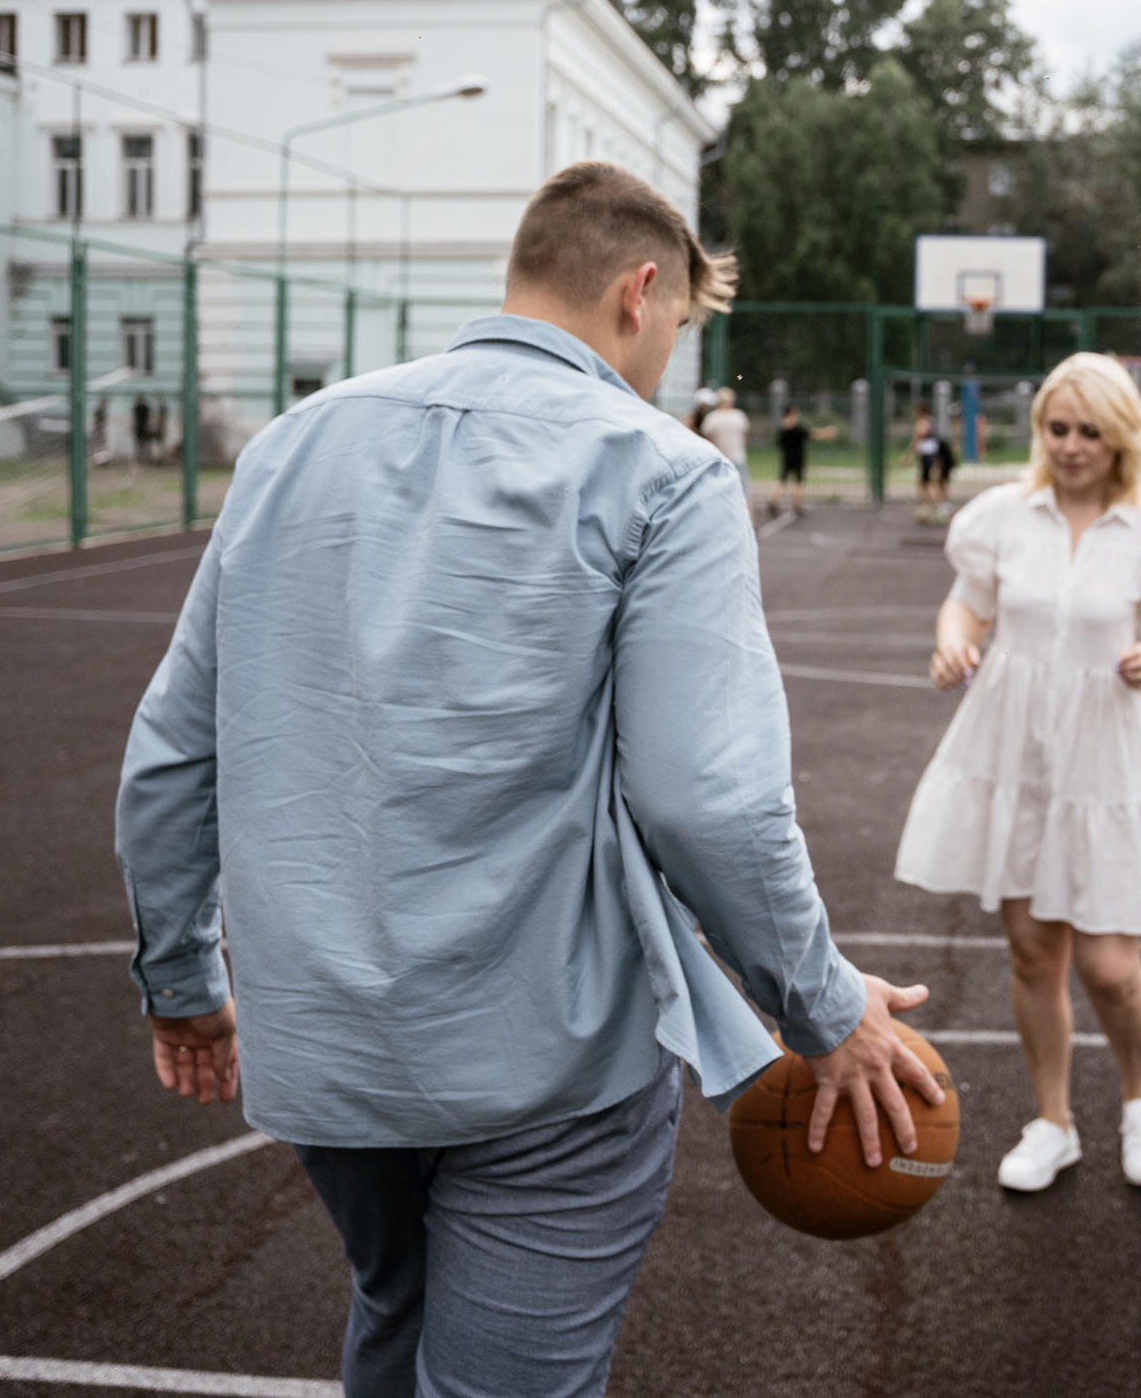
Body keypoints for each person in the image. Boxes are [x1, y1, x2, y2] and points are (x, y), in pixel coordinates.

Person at [115, 161, 940, 1398]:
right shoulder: (661, 470)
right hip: (547, 1055)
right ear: (638, 293)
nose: (661, 358)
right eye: (675, 328)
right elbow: (707, 798)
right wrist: (820, 1007)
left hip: (325, 1043)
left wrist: (182, 981)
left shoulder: (293, 444)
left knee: (396, 1316)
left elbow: (174, 754)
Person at [892, 351, 1141, 1193]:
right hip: (1015, 746)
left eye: (1089, 431)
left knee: (1110, 966)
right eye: (1057, 428)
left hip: (1107, 757)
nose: (1070, 446)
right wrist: (952, 640)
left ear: (1120, 437)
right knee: (1034, 952)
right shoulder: (1002, 516)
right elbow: (968, 603)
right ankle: (1053, 1122)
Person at [700, 385, 752, 508]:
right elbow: (743, 437)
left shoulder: (712, 418)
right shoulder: (738, 416)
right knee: (744, 492)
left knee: (717, 492)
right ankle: (749, 517)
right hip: (737, 457)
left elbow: (708, 440)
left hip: (720, 459)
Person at [770, 404, 809, 518]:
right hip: (798, 458)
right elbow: (809, 435)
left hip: (787, 457)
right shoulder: (798, 428)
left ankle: (773, 502)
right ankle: (798, 506)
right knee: (799, 482)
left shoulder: (782, 428)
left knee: (782, 481)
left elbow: (780, 444)